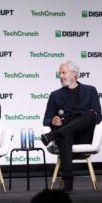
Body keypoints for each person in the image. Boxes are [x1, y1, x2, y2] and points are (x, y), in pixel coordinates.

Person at [41, 61, 101, 193]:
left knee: (90, 115)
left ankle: (53, 135)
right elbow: (46, 119)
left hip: (84, 135)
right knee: (65, 134)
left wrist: (78, 116)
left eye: (64, 73)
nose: (61, 76)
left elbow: (97, 116)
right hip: (65, 135)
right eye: (60, 74)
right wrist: (53, 120)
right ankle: (68, 181)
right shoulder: (55, 95)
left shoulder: (90, 90)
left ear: (74, 74)